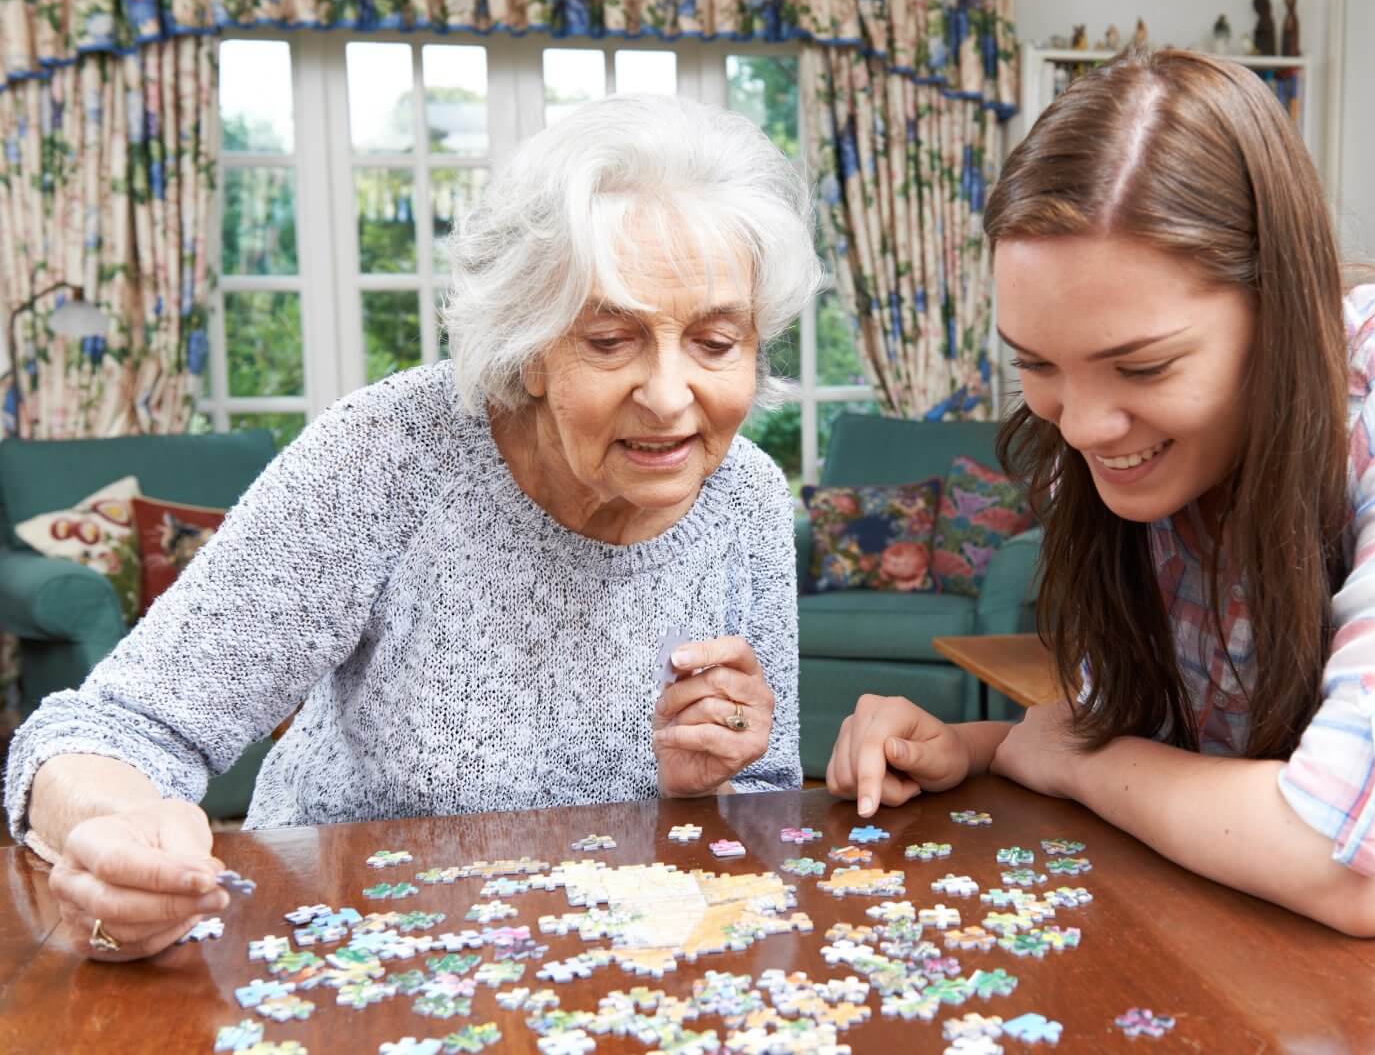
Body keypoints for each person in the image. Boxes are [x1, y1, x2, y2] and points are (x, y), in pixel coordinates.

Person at [827, 49, 1375, 940]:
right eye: (1037, 364)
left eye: (1143, 364)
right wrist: (961, 747)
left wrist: (1079, 764)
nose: (1082, 426)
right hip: (1329, 971)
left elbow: (1353, 859)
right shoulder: (1142, 455)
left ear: (1282, 303)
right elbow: (1152, 751)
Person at [6, 94, 819, 959]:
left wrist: (705, 779)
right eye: (611, 340)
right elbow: (108, 730)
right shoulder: (390, 453)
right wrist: (116, 842)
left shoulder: (749, 496)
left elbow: (760, 808)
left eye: (715, 341)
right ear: (529, 349)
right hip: (346, 951)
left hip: (608, 967)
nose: (667, 395)